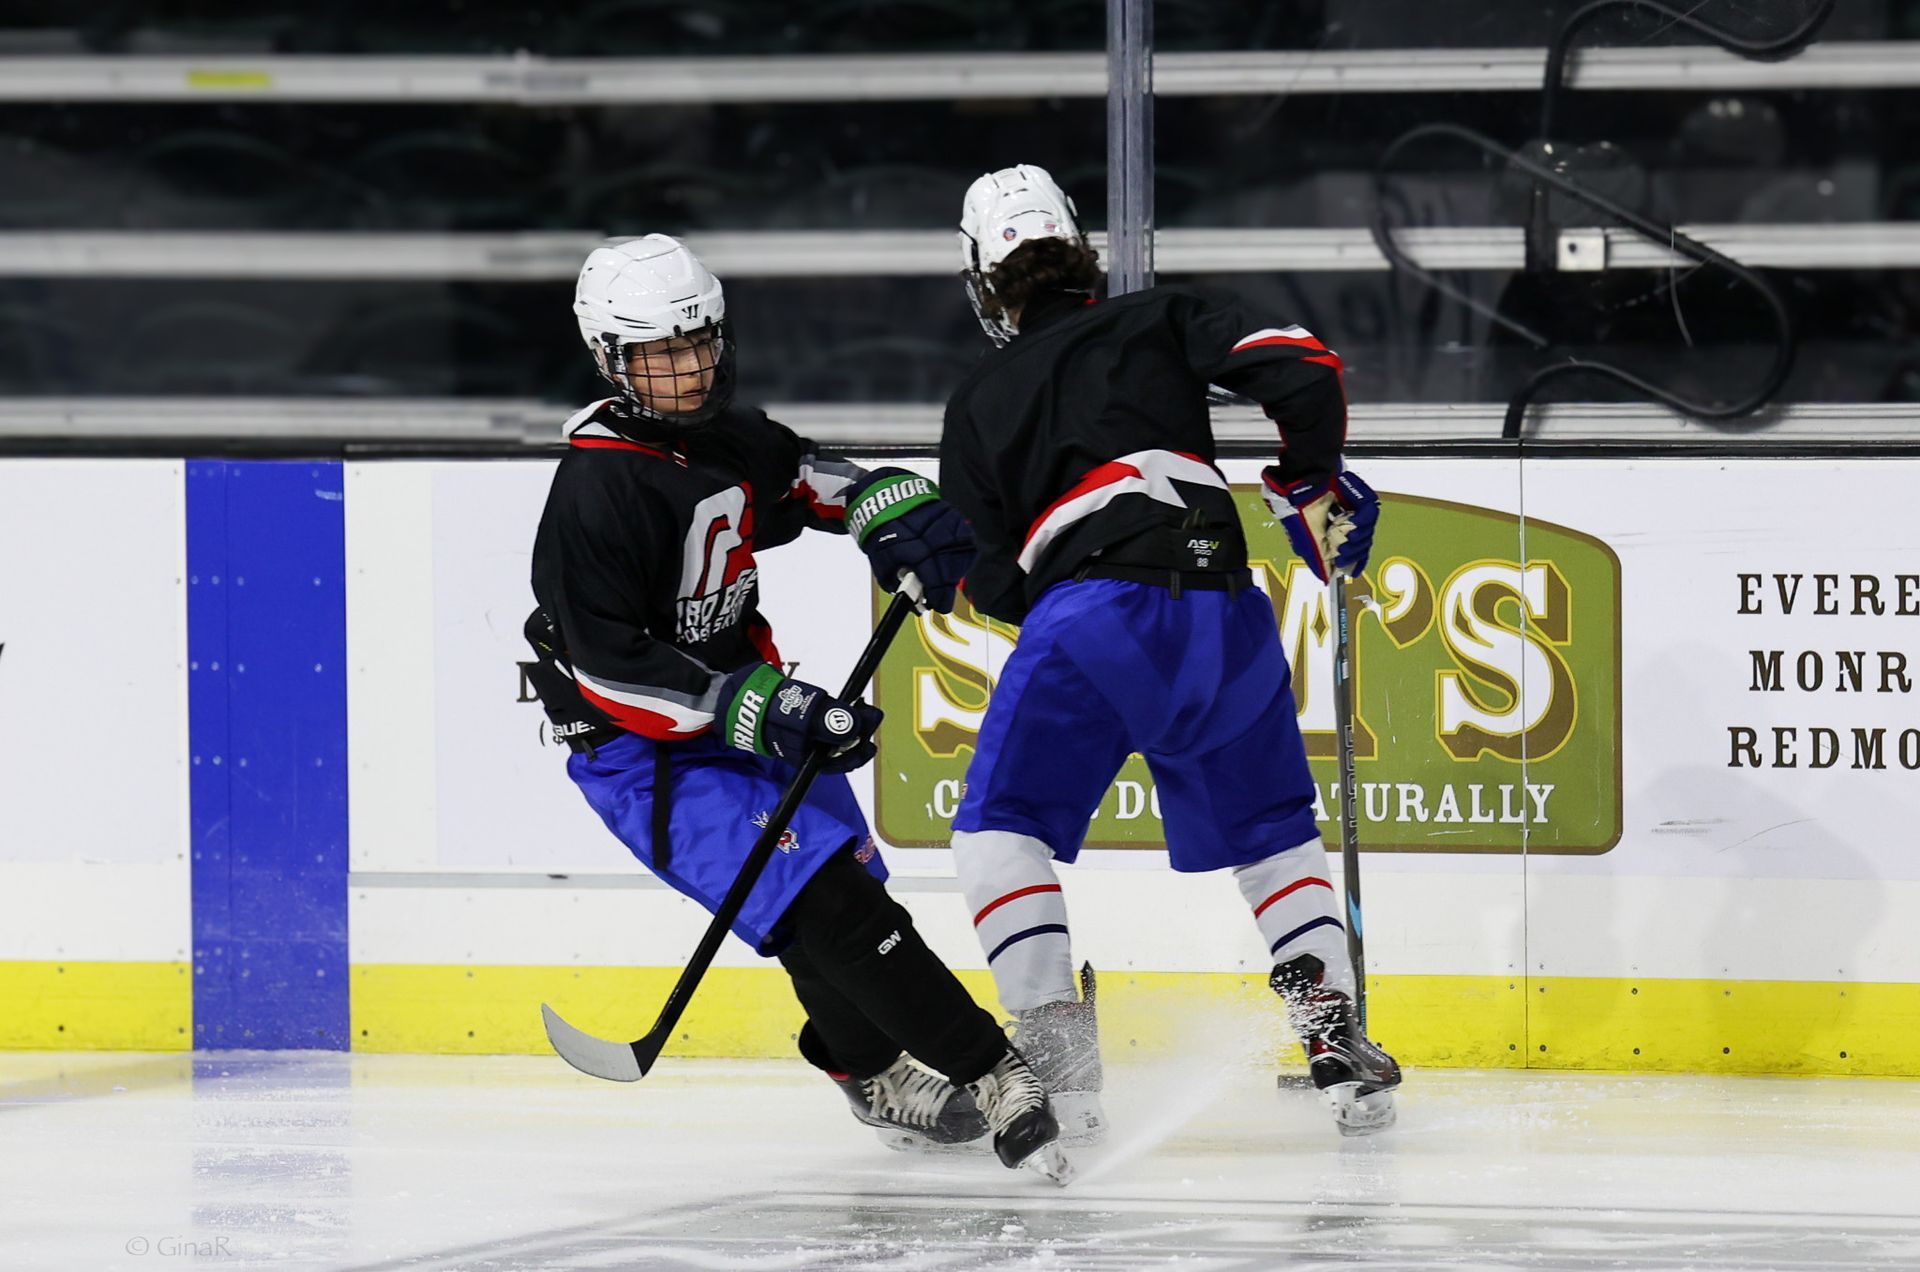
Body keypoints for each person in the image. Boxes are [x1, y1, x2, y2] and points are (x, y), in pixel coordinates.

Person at [522, 233, 1066, 1177]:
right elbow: (611, 672)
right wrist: (759, 706)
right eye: (660, 354)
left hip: (747, 712)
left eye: (699, 343)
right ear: (610, 360)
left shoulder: (724, 437)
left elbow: (808, 480)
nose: (689, 370)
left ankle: (867, 1071)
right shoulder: (594, 492)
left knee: (830, 904)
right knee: (822, 900)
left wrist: (887, 505)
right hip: (648, 755)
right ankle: (996, 1075)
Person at [937, 165, 1402, 1139]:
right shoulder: (1159, 315)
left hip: (1092, 620)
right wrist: (1307, 480)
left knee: (998, 831)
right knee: (1272, 835)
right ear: (1081, 252)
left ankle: (1061, 1063)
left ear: (984, 280)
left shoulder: (978, 399)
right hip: (1225, 613)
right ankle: (1333, 1036)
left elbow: (998, 585)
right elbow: (1305, 367)